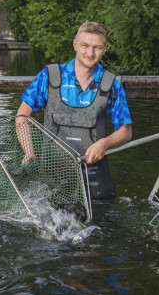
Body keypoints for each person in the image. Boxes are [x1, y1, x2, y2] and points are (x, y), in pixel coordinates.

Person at [16, 21, 133, 201]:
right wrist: (29, 151)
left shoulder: (112, 85)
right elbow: (22, 116)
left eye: (97, 47)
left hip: (94, 177)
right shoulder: (48, 76)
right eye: (85, 46)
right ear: (75, 45)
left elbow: (125, 132)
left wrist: (104, 144)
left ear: (105, 49)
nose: (90, 53)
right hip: (51, 174)